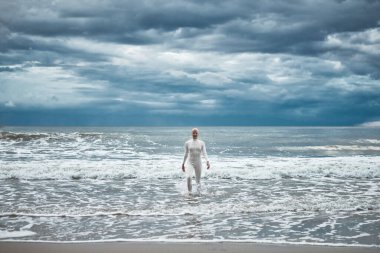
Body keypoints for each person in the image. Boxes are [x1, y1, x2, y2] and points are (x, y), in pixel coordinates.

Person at [182, 128, 210, 194]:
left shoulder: (202, 143)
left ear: (198, 134)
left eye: (196, 133)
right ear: (191, 134)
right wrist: (183, 164)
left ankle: (198, 194)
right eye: (193, 133)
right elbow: (185, 154)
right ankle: (190, 193)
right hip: (190, 163)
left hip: (198, 163)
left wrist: (207, 161)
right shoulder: (187, 143)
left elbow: (204, 153)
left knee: (198, 180)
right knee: (188, 177)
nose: (195, 134)